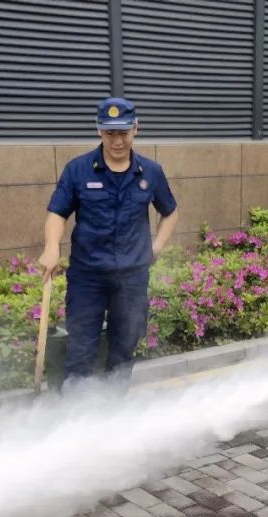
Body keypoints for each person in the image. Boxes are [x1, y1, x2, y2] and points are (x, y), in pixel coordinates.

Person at [38, 98, 179, 388]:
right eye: (110, 133)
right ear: (99, 131)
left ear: (136, 128)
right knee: (80, 347)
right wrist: (51, 247)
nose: (117, 141)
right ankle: (76, 407)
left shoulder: (150, 172)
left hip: (132, 277)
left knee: (125, 345)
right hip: (87, 276)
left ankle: (114, 404)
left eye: (123, 132)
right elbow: (57, 213)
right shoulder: (78, 170)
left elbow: (170, 212)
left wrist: (156, 247)